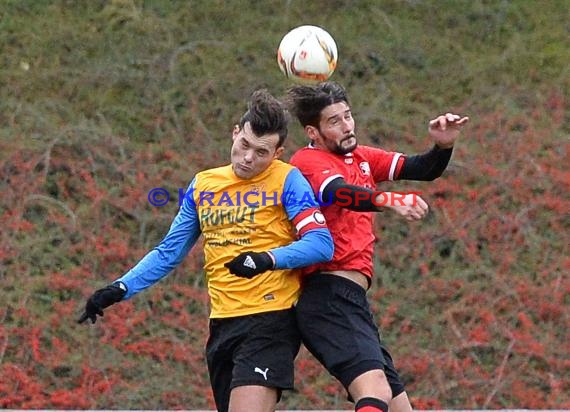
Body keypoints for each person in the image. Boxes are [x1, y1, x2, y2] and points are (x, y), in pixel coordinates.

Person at [78, 89, 334, 412]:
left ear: (278, 153)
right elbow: (168, 251)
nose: (248, 158)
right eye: (244, 145)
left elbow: (321, 243)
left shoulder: (288, 180)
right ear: (235, 132)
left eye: (261, 152)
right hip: (222, 324)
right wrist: (119, 288)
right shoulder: (203, 185)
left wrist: (266, 259)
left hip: (271, 320)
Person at [285, 81, 469, 412]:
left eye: (348, 115)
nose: (347, 126)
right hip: (328, 296)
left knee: (399, 408)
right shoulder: (307, 160)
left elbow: (420, 168)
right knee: (376, 392)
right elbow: (340, 193)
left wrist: (443, 147)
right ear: (313, 131)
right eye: (334, 121)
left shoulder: (362, 157)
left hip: (352, 300)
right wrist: (388, 200)